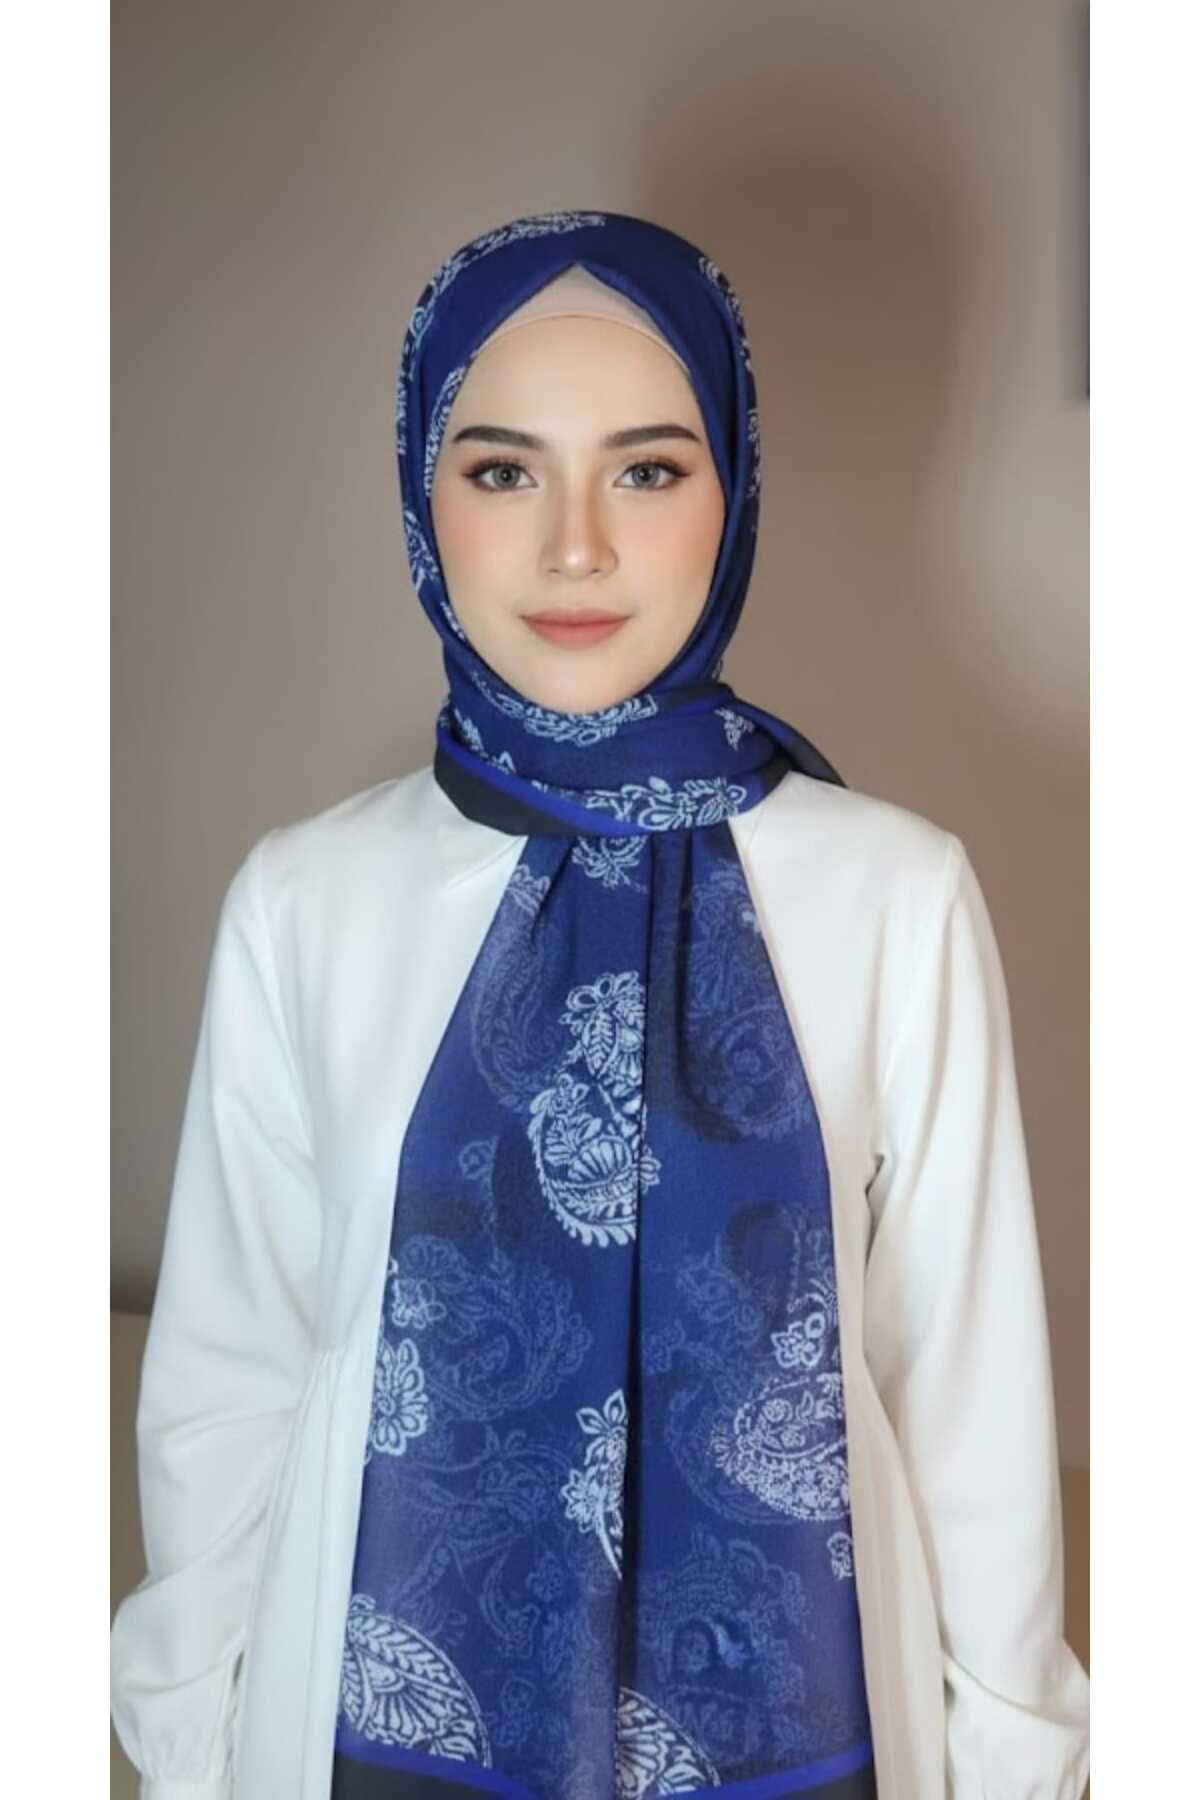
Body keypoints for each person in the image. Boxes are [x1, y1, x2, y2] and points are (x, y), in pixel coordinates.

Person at [110, 211, 1090, 1800]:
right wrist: (187, 1743)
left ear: (735, 489)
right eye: (504, 470)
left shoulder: (897, 896)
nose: (576, 546)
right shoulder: (304, 901)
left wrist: (1019, 1756)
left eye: (647, 470)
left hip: (815, 1717)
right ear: (422, 492)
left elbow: (965, 1393)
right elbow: (233, 1379)